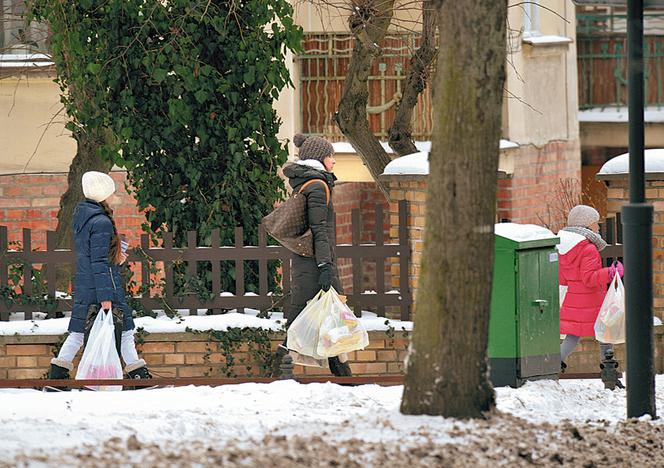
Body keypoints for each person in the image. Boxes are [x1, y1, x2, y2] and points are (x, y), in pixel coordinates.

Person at [48, 171, 151, 381]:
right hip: (103, 287)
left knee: (78, 331)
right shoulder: (101, 222)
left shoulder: (83, 218)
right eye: (110, 192)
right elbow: (99, 262)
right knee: (126, 330)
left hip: (87, 285)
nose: (112, 197)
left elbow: (94, 256)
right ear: (102, 193)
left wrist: (116, 256)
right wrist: (107, 297)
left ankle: (56, 377)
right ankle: (139, 376)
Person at [271, 134, 352, 377]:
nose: (334, 162)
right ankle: (283, 366)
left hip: (309, 260)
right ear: (320, 158)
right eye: (330, 156)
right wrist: (325, 266)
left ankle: (343, 374)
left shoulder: (311, 183)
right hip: (314, 263)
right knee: (308, 315)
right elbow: (319, 230)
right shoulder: (317, 186)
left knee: (332, 315)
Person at [557, 204, 624, 380]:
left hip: (574, 299)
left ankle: (555, 362)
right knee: (605, 331)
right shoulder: (588, 248)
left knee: (573, 335)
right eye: (595, 223)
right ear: (586, 225)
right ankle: (608, 371)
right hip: (592, 299)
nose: (599, 226)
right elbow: (590, 278)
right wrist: (611, 272)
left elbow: (563, 278)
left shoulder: (564, 247)